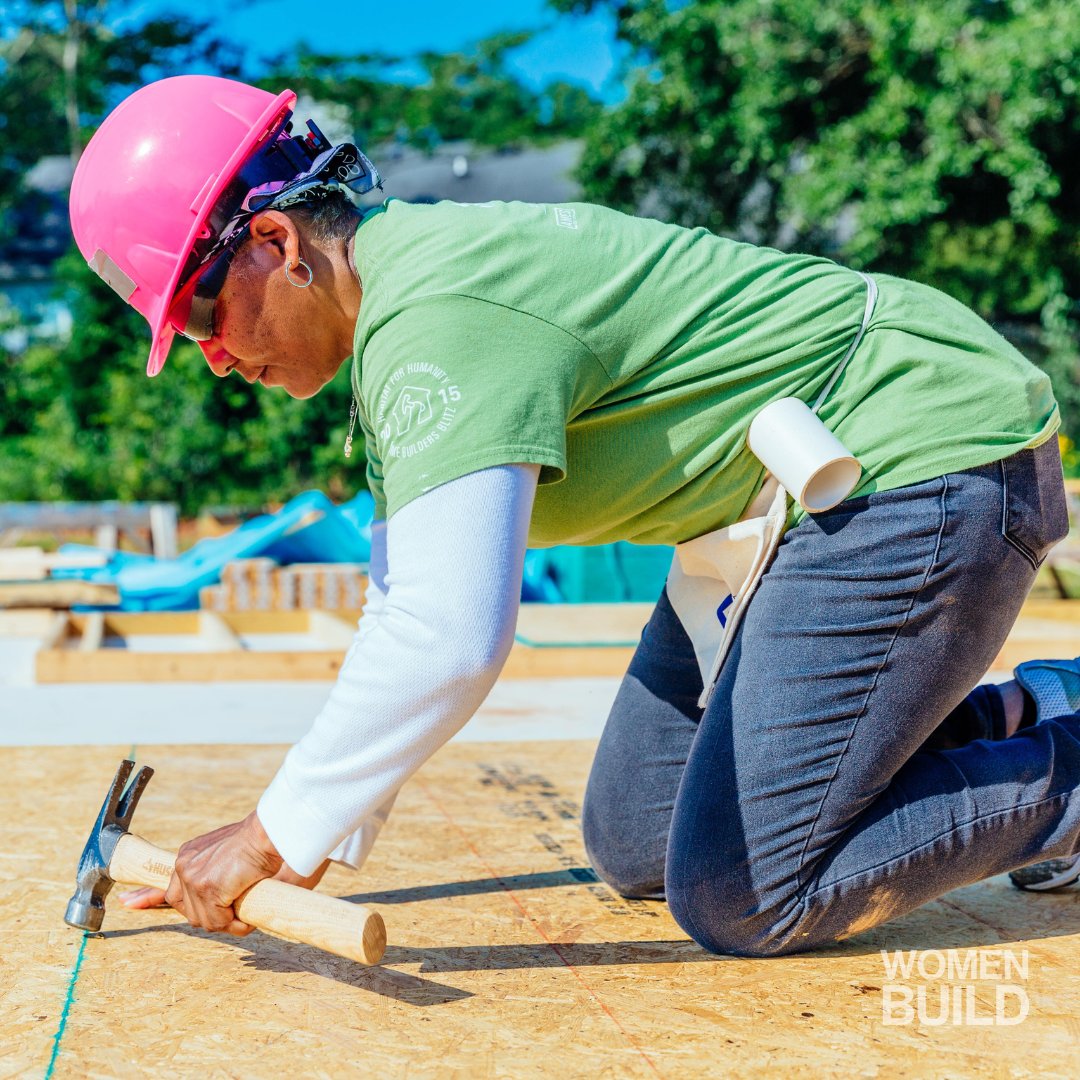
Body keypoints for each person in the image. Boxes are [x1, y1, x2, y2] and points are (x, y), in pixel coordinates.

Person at [68, 75, 1080, 957]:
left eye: (200, 316)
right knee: (640, 835)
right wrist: (316, 835)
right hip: (787, 514)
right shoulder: (398, 327)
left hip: (921, 457)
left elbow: (448, 641)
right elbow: (402, 613)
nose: (211, 355)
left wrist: (269, 831)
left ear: (276, 241)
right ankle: (1020, 712)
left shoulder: (436, 321)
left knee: (749, 891)